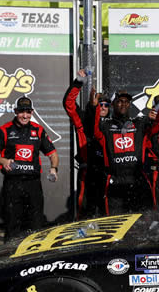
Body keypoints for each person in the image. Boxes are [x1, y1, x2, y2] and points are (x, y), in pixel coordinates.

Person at [0, 96, 59, 242]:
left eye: (27, 112)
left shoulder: (38, 130)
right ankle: (10, 260)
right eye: (21, 112)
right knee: (13, 225)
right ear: (15, 111)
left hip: (33, 184)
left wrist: (53, 168)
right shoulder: (4, 130)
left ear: (32, 112)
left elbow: (53, 154)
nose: (24, 115)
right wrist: (3, 160)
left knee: (36, 225)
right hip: (13, 183)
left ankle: (34, 259)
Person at [94, 89, 159, 215]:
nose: (123, 104)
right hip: (115, 182)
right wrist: (93, 108)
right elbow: (91, 126)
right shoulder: (105, 126)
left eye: (126, 101)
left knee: (143, 222)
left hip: (137, 181)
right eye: (119, 101)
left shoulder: (140, 124)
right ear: (113, 104)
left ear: (130, 104)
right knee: (115, 225)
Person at [62, 69, 108, 219]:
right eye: (99, 103)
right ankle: (83, 240)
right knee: (85, 211)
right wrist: (78, 83)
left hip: (107, 172)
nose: (102, 107)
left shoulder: (113, 124)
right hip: (87, 171)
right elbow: (68, 103)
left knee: (107, 211)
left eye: (106, 105)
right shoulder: (83, 117)